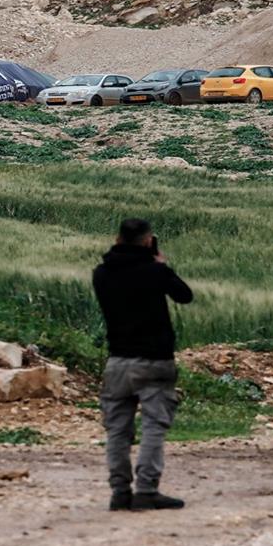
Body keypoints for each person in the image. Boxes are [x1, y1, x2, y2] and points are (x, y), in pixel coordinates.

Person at [92, 218, 194, 512]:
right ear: (149, 241)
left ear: (117, 239)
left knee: (117, 430)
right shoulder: (155, 271)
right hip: (154, 361)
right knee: (153, 426)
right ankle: (147, 490)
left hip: (117, 361)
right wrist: (162, 266)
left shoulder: (101, 273)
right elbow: (184, 295)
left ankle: (119, 492)